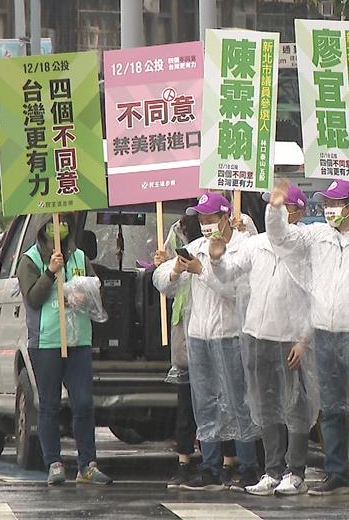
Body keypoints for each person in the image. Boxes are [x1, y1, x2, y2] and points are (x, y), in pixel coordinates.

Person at [266, 179, 349, 497]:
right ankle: (336, 472)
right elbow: (281, 239)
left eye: (335, 204)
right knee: (331, 407)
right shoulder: (317, 235)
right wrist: (275, 208)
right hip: (324, 331)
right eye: (326, 205)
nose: (329, 210)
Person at [206, 185, 317, 497]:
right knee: (266, 405)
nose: (275, 213)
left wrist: (304, 339)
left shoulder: (306, 245)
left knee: (295, 405)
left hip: (291, 338)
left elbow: (315, 296)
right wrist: (216, 260)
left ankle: (296, 472)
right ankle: (272, 470)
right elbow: (229, 274)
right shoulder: (255, 245)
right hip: (258, 335)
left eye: (282, 207)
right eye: (271, 206)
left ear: (298, 212)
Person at [153, 193, 261, 491]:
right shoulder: (196, 247)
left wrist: (203, 271)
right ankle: (211, 466)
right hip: (199, 335)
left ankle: (248, 466)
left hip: (231, 335)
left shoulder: (243, 247)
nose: (205, 225)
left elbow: (238, 290)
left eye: (210, 219)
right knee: (206, 404)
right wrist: (175, 270)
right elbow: (161, 282)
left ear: (226, 217)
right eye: (201, 220)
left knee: (239, 402)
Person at [17, 215, 112, 486]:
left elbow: (97, 292)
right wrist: (50, 272)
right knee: (49, 404)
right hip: (47, 342)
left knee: (83, 403)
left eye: (63, 224)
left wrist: (86, 295)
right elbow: (33, 299)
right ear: (43, 230)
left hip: (79, 340)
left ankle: (87, 465)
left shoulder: (80, 257)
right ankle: (54, 463)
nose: (59, 229)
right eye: (52, 224)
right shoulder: (30, 259)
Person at [153, 206, 202, 488]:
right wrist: (166, 264)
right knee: (186, 400)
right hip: (184, 330)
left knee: (212, 401)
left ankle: (218, 460)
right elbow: (162, 279)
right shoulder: (176, 234)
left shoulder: (234, 231)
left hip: (213, 331)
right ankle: (186, 457)